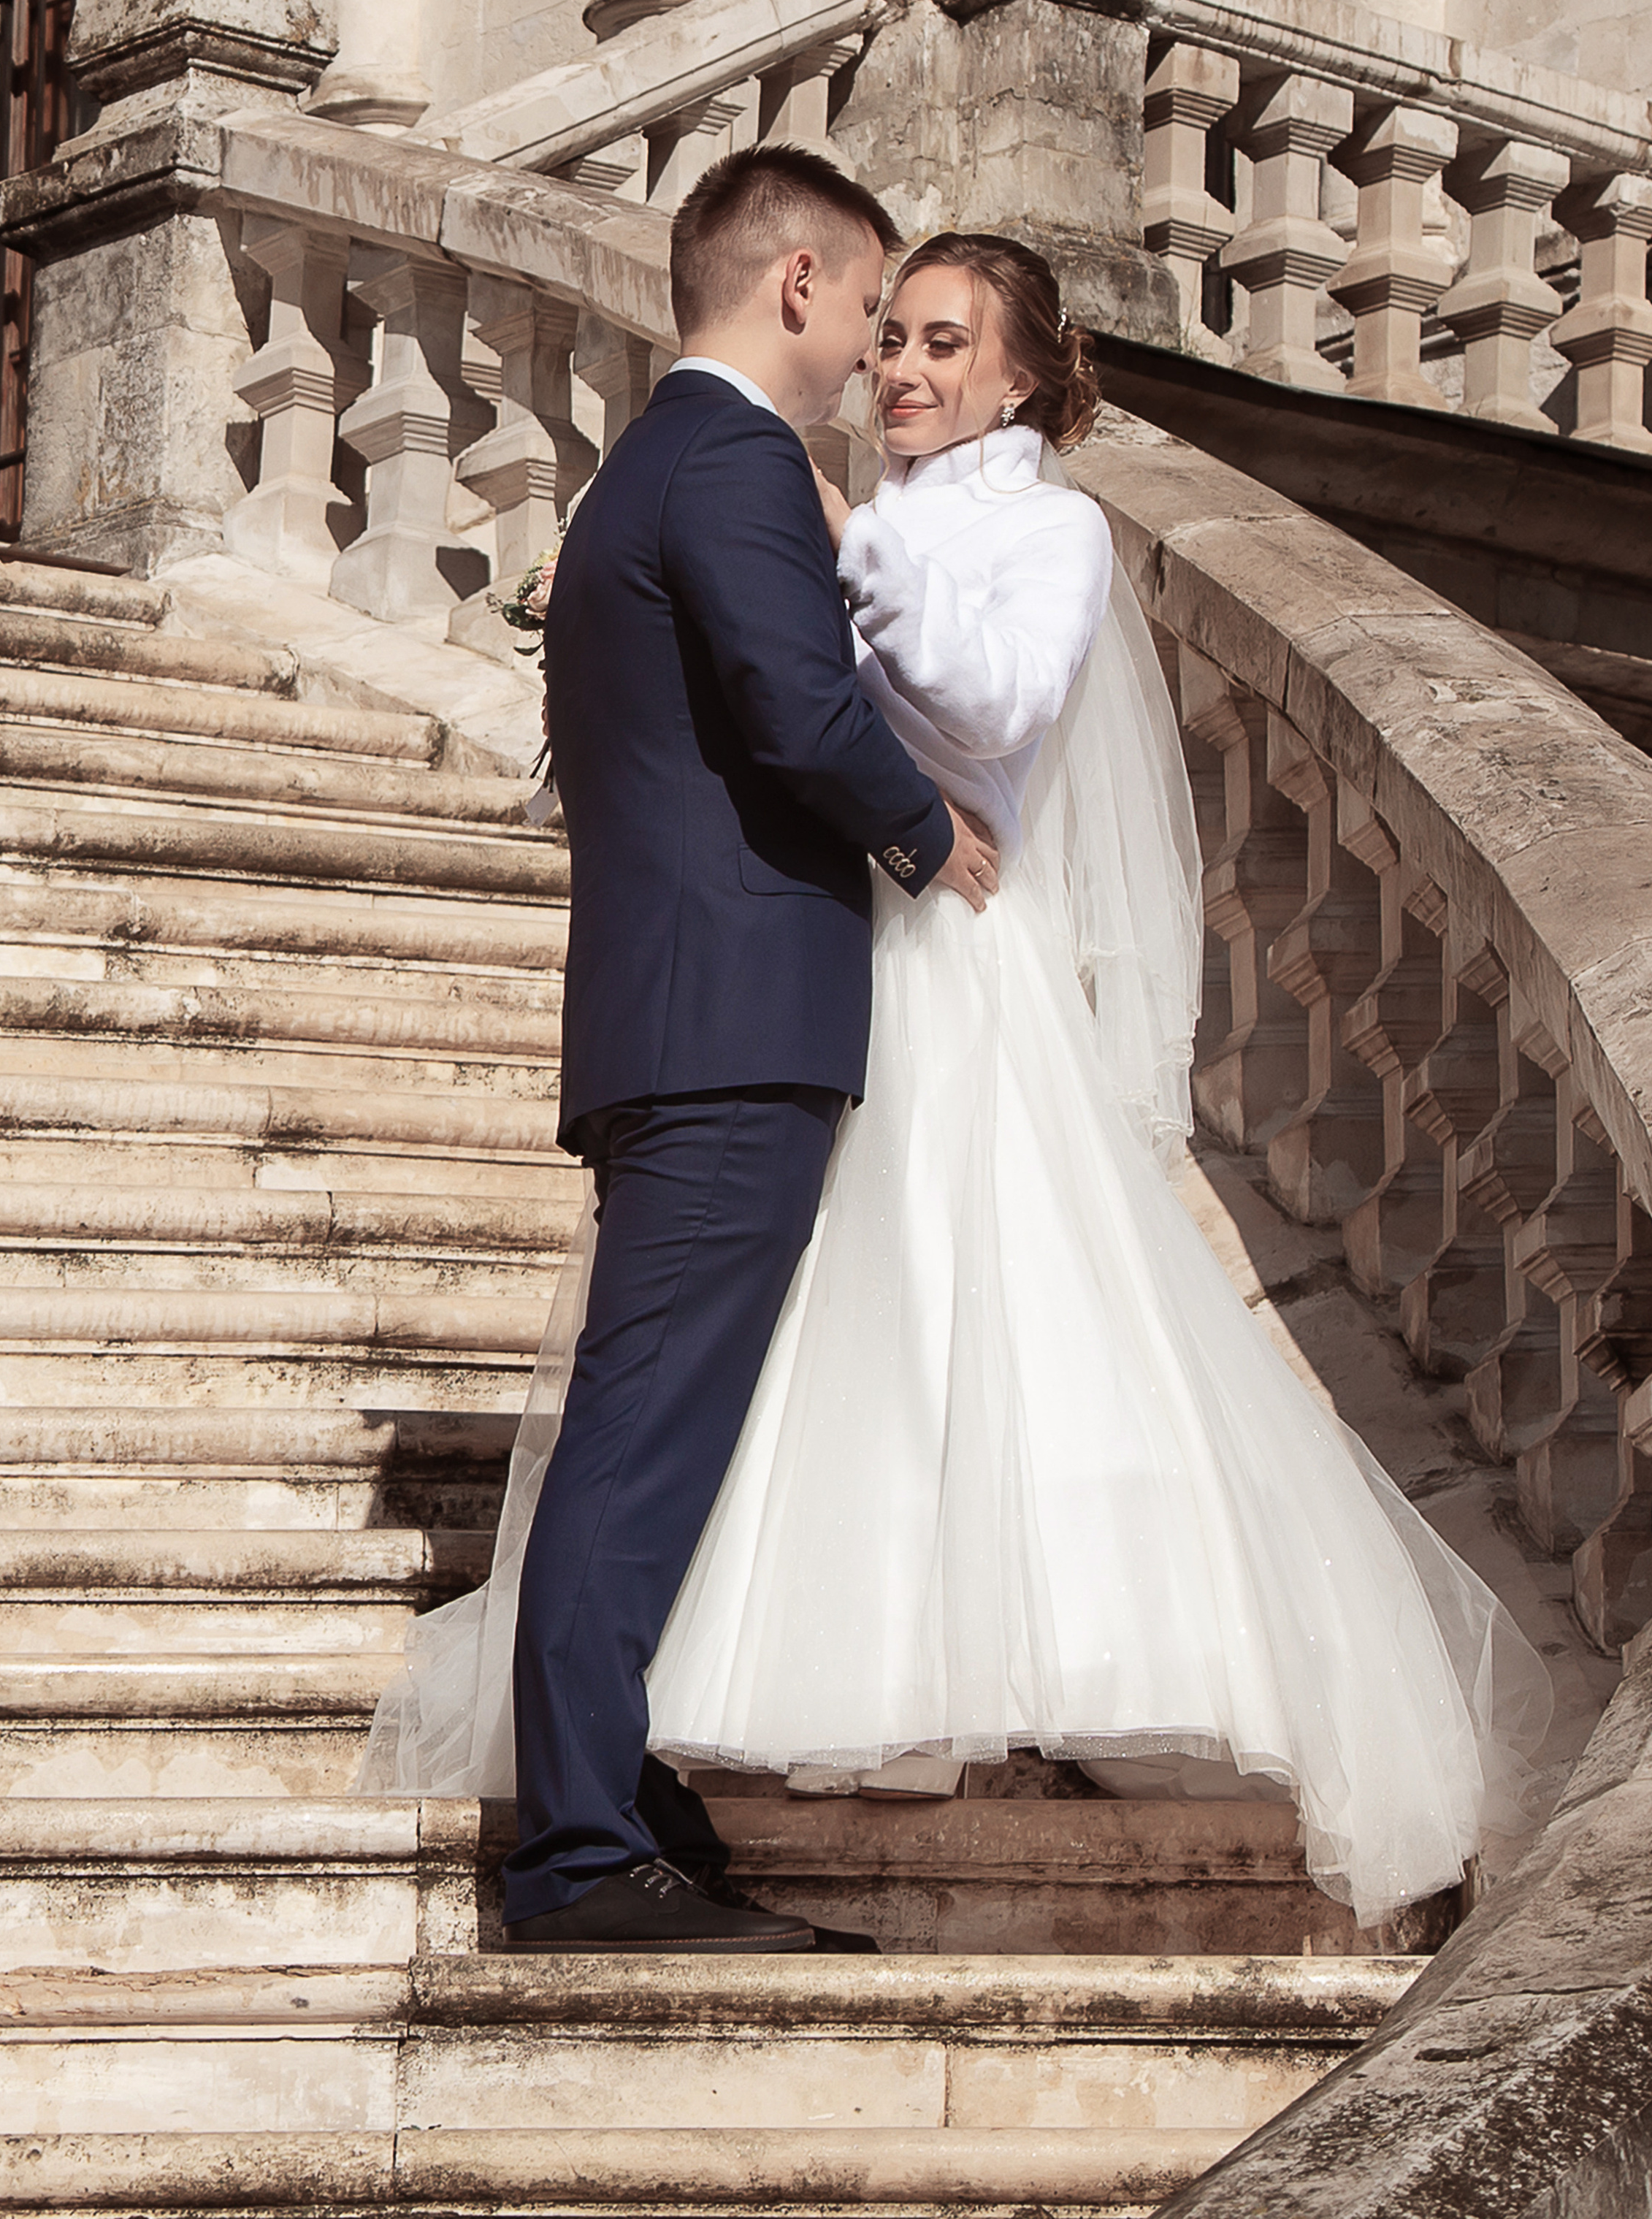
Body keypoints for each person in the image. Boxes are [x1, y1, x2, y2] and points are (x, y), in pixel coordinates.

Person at [364, 224, 1552, 1939]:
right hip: (832, 957)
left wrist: (859, 579)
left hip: (944, 944)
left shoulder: (1042, 528)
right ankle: (640, 1767)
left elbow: (992, 705)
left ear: (1016, 372)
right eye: (891, 333)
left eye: (940, 344)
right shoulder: (797, 496)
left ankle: (915, 1700)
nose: (900, 369)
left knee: (975, 1300)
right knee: (778, 1356)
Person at [363, 148, 998, 1955]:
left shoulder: (652, 463)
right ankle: (574, 1848)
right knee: (643, 1436)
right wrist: (917, 831)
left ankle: (610, 1790)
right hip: (726, 1020)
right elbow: (793, 704)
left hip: (684, 1014)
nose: (876, 350)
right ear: (795, 281)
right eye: (872, 307)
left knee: (650, 1425)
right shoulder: (723, 458)